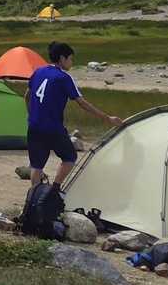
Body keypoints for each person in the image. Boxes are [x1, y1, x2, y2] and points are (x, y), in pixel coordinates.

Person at [26, 41, 121, 191]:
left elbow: (27, 95)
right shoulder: (63, 77)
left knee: (37, 165)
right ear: (62, 58)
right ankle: (55, 189)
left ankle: (34, 197)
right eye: (70, 59)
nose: (72, 62)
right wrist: (107, 118)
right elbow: (82, 103)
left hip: (34, 125)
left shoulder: (38, 71)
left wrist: (32, 114)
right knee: (69, 157)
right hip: (53, 128)